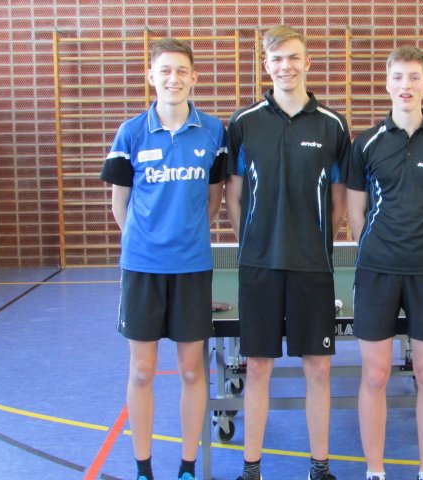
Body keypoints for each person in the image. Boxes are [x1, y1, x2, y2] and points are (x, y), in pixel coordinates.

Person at [224, 25, 350, 480]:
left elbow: (339, 198)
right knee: (258, 367)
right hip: (258, 265)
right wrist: (252, 240)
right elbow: (234, 195)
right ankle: (251, 469)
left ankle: (320, 467)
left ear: (307, 62)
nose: (286, 66)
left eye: (294, 57)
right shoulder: (244, 122)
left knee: (318, 368)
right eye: (277, 59)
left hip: (312, 267)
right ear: (266, 64)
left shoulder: (332, 124)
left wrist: (317, 240)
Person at [100, 37, 227, 480]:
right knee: (142, 371)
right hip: (142, 268)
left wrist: (185, 235)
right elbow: (120, 204)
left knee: (192, 371)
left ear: (194, 77)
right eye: (165, 70)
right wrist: (146, 241)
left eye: (182, 71)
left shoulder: (213, 132)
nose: (174, 78)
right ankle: (143, 469)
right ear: (151, 76)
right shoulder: (131, 132)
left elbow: (214, 199)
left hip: (192, 268)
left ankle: (187, 467)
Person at [346, 46, 423, 480]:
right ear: (387, 83)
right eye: (398, 77)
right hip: (376, 273)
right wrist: (379, 248)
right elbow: (355, 213)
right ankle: (375, 471)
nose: (406, 85)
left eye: (414, 77)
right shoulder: (366, 143)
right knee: (375, 374)